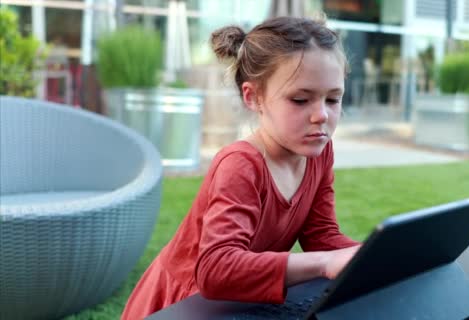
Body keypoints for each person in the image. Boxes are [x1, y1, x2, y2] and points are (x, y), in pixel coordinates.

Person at [121, 16, 361, 320]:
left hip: (242, 301)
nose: (321, 116)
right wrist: (323, 264)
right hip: (188, 305)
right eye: (300, 100)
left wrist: (375, 255)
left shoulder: (319, 153)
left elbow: (322, 237)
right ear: (254, 97)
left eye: (333, 99)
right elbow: (216, 270)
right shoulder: (240, 165)